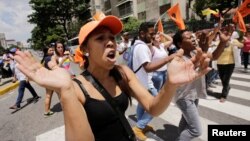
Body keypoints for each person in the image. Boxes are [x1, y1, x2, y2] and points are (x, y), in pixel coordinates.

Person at [13, 14, 210, 141]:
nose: (110, 43)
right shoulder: (75, 87)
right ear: (85, 50)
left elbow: (153, 107)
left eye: (112, 38)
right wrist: (64, 90)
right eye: (100, 39)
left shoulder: (123, 72)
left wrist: (170, 84)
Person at [172, 22, 229, 140]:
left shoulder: (195, 52)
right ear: (180, 44)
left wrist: (222, 42)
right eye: (189, 38)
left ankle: (181, 136)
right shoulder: (177, 58)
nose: (193, 39)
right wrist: (203, 50)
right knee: (195, 130)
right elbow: (195, 64)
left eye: (192, 37)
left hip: (194, 94)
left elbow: (214, 56)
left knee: (186, 122)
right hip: (184, 97)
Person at [41, 46, 55, 117]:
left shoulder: (44, 58)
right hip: (51, 79)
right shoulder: (49, 58)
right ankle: (46, 111)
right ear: (47, 52)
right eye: (50, 50)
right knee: (49, 95)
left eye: (52, 50)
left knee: (48, 95)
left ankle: (47, 110)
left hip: (47, 79)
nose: (52, 51)